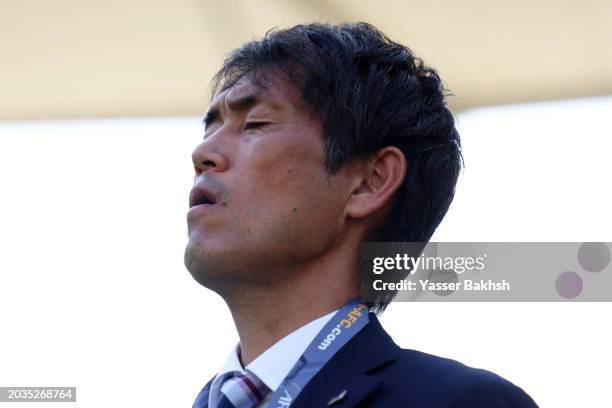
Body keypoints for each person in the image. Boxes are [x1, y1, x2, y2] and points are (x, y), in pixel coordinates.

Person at [185, 22, 537, 408]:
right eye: (211, 128)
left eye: (255, 124)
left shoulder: (458, 401)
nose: (203, 153)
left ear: (369, 182)